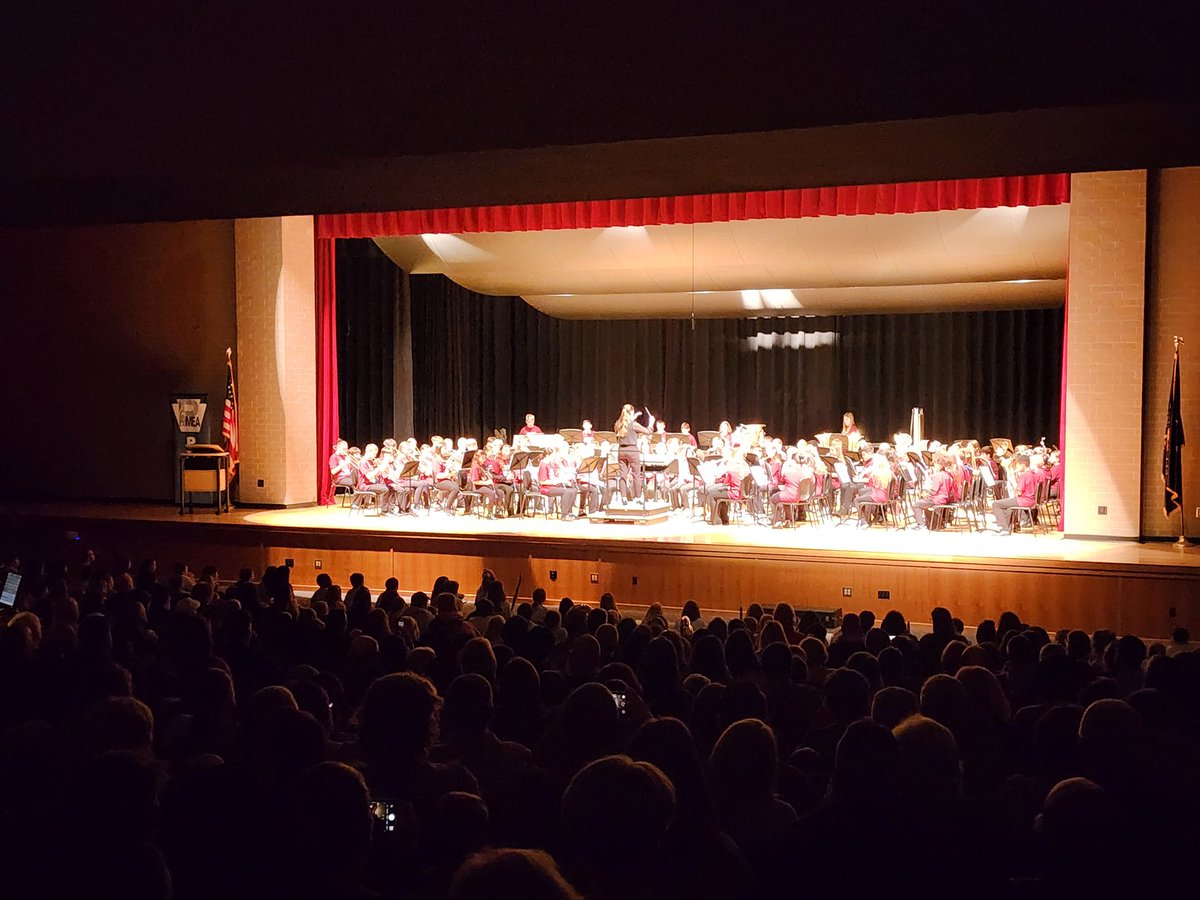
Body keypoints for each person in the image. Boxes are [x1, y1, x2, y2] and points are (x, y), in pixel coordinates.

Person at [614, 404, 653, 503]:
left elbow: (626, 425)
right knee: (636, 474)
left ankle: (623, 497)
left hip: (621, 451)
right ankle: (638, 497)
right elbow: (648, 431)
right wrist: (651, 422)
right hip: (632, 451)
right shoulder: (634, 424)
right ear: (631, 412)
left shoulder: (617, 424)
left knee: (623, 475)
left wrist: (634, 416)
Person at [992, 452, 1037, 534]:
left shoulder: (1024, 475)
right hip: (1030, 500)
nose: (1017, 467)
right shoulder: (1033, 474)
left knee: (996, 504)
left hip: (1024, 500)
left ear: (1022, 465)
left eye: (1018, 465)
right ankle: (1007, 528)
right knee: (1009, 507)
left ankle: (1003, 527)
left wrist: (1014, 484)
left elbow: (1019, 491)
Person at [913, 451, 954, 530]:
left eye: (934, 463)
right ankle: (929, 523)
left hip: (937, 500)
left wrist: (925, 491)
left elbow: (933, 492)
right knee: (923, 503)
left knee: (916, 505)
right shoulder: (948, 474)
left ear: (938, 464)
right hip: (944, 499)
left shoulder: (938, 475)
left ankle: (921, 525)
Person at [538, 447, 580, 520]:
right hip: (546, 488)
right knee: (566, 491)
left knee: (573, 490)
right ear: (548, 456)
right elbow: (542, 481)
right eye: (553, 456)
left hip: (554, 485)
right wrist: (555, 482)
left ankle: (569, 512)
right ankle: (564, 515)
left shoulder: (552, 464)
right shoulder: (544, 465)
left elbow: (556, 476)